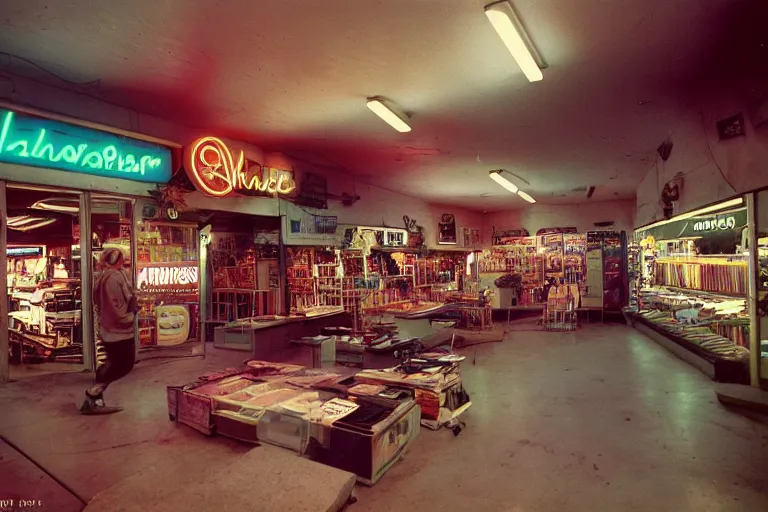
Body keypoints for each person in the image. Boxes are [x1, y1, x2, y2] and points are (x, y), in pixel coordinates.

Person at [80, 248, 137, 415]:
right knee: (123, 365)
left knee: (111, 364)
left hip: (108, 329)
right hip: (118, 331)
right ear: (117, 260)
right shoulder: (114, 277)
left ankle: (95, 401)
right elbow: (117, 307)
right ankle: (93, 392)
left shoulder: (103, 276)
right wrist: (131, 315)